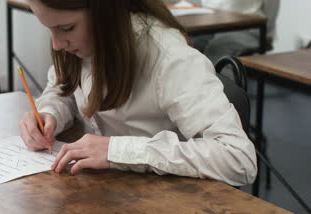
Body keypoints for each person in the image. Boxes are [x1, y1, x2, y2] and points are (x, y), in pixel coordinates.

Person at [19, 0, 257, 186]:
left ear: (106, 12)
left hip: (164, 209)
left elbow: (238, 158)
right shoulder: (81, 42)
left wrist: (117, 151)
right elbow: (64, 88)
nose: (57, 44)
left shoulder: (169, 58)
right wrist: (49, 113)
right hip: (101, 194)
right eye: (49, 30)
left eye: (66, 28)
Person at [191, 0, 280, 64]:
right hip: (213, 24)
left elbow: (271, 10)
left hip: (249, 29)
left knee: (218, 49)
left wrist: (267, 33)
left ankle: (224, 89)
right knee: (189, 43)